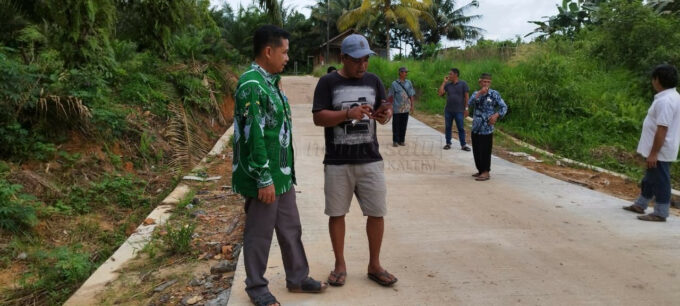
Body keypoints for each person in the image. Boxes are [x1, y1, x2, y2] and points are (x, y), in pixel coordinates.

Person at [232, 25, 327, 306]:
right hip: (265, 176)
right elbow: (254, 135)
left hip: (282, 174)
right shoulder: (251, 84)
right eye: (284, 52)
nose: (287, 58)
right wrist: (263, 178)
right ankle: (257, 287)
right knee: (259, 234)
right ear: (269, 51)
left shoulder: (270, 81)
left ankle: (298, 278)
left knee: (290, 227)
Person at [312, 33, 398, 288]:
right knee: (337, 214)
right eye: (357, 61)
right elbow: (319, 117)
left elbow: (383, 108)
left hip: (370, 159)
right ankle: (340, 264)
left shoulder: (373, 81)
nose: (363, 66)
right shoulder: (327, 83)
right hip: (338, 161)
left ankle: (375, 265)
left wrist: (386, 114)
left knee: (377, 212)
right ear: (343, 58)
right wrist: (348, 113)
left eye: (366, 60)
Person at [623, 64, 680, 222]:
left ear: (657, 80)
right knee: (650, 177)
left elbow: (662, 129)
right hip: (658, 148)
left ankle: (661, 212)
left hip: (660, 149)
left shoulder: (666, 101)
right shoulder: (672, 97)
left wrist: (654, 152)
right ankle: (641, 203)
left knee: (661, 179)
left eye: (653, 78)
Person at [468, 73, 507, 181]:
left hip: (486, 128)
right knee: (477, 150)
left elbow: (504, 107)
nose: (486, 84)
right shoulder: (476, 93)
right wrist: (480, 93)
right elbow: (469, 103)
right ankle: (480, 170)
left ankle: (486, 172)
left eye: (488, 82)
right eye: (484, 82)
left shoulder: (494, 94)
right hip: (476, 127)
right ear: (480, 82)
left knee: (485, 150)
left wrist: (496, 115)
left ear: (490, 83)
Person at [438, 68, 471, 151]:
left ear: (456, 75)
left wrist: (466, 108)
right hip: (448, 110)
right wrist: (444, 82)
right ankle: (448, 143)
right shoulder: (448, 85)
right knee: (448, 127)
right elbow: (440, 93)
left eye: (450, 74)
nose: (449, 76)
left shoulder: (463, 84)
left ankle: (463, 145)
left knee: (460, 127)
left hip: (459, 110)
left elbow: (467, 97)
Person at [388, 66, 416, 147]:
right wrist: (390, 107)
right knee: (396, 125)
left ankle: (402, 140)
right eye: (404, 72)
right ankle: (395, 141)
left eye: (407, 72)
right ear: (400, 73)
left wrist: (412, 106)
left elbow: (411, 95)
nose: (406, 73)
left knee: (404, 125)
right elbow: (391, 96)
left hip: (406, 108)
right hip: (397, 108)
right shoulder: (394, 84)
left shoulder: (409, 83)